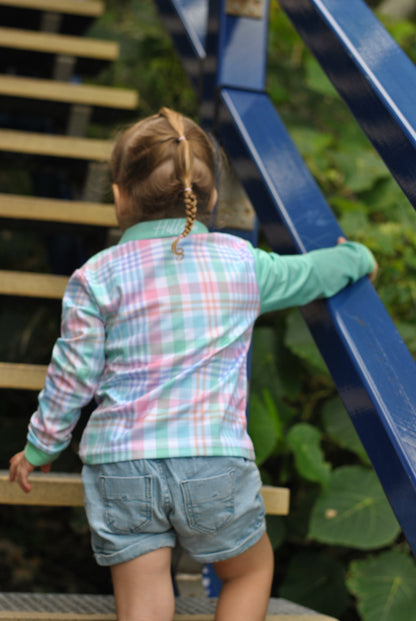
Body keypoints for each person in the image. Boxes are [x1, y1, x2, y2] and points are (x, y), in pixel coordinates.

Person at [9, 107, 377, 621]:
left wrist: (40, 447)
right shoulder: (241, 262)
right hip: (213, 463)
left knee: (144, 602)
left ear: (118, 196)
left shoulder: (95, 277)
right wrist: (357, 258)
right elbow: (312, 273)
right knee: (248, 572)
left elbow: (71, 377)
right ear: (213, 199)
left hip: (123, 466)